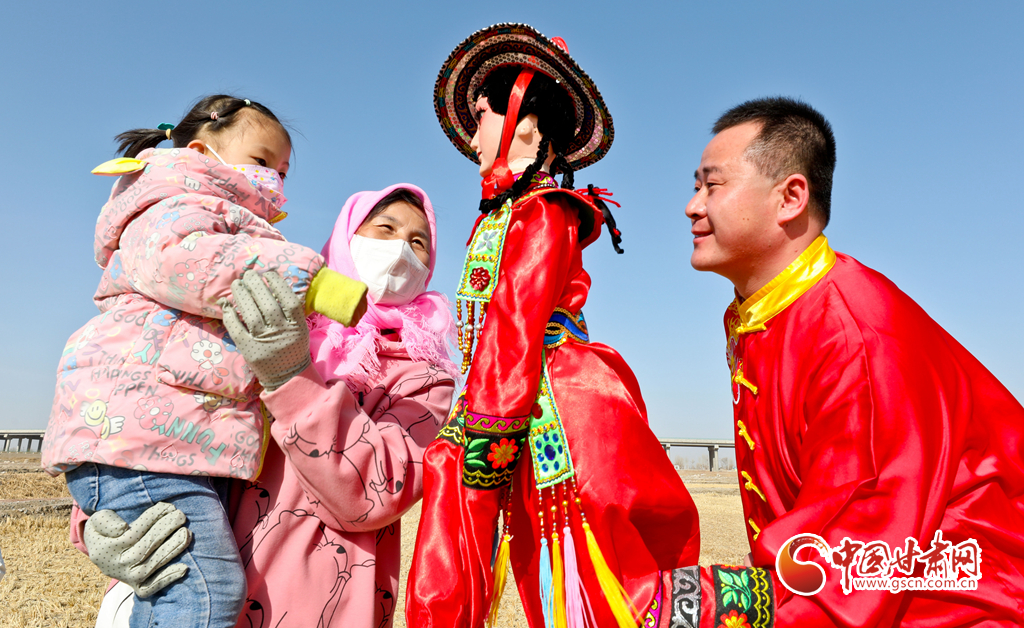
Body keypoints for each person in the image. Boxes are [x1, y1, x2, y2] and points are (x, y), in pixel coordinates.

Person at [663, 96, 1024, 626]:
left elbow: (850, 565)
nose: (692, 206)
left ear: (790, 197)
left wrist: (674, 607)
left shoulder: (855, 333)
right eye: (695, 186)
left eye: (712, 186)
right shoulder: (767, 316)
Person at [407, 24, 700, 628]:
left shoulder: (543, 212)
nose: (475, 127)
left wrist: (485, 431)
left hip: (552, 408)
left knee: (584, 577)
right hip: (509, 400)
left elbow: (516, 321)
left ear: (524, 118)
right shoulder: (507, 213)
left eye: (484, 111)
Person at [42, 94, 367, 628]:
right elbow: (194, 260)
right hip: (146, 441)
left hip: (169, 440)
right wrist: (314, 282)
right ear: (201, 149)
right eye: (262, 163)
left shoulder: (223, 219)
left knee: (193, 590)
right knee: (205, 594)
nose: (275, 181)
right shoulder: (177, 206)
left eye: (283, 172)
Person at [83, 184, 458, 628]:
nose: (401, 250)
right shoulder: (267, 316)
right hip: (183, 589)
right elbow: (154, 411)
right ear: (346, 237)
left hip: (312, 609)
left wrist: (290, 375)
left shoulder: (424, 379)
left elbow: (375, 495)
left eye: (419, 242)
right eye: (386, 228)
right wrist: (100, 517)